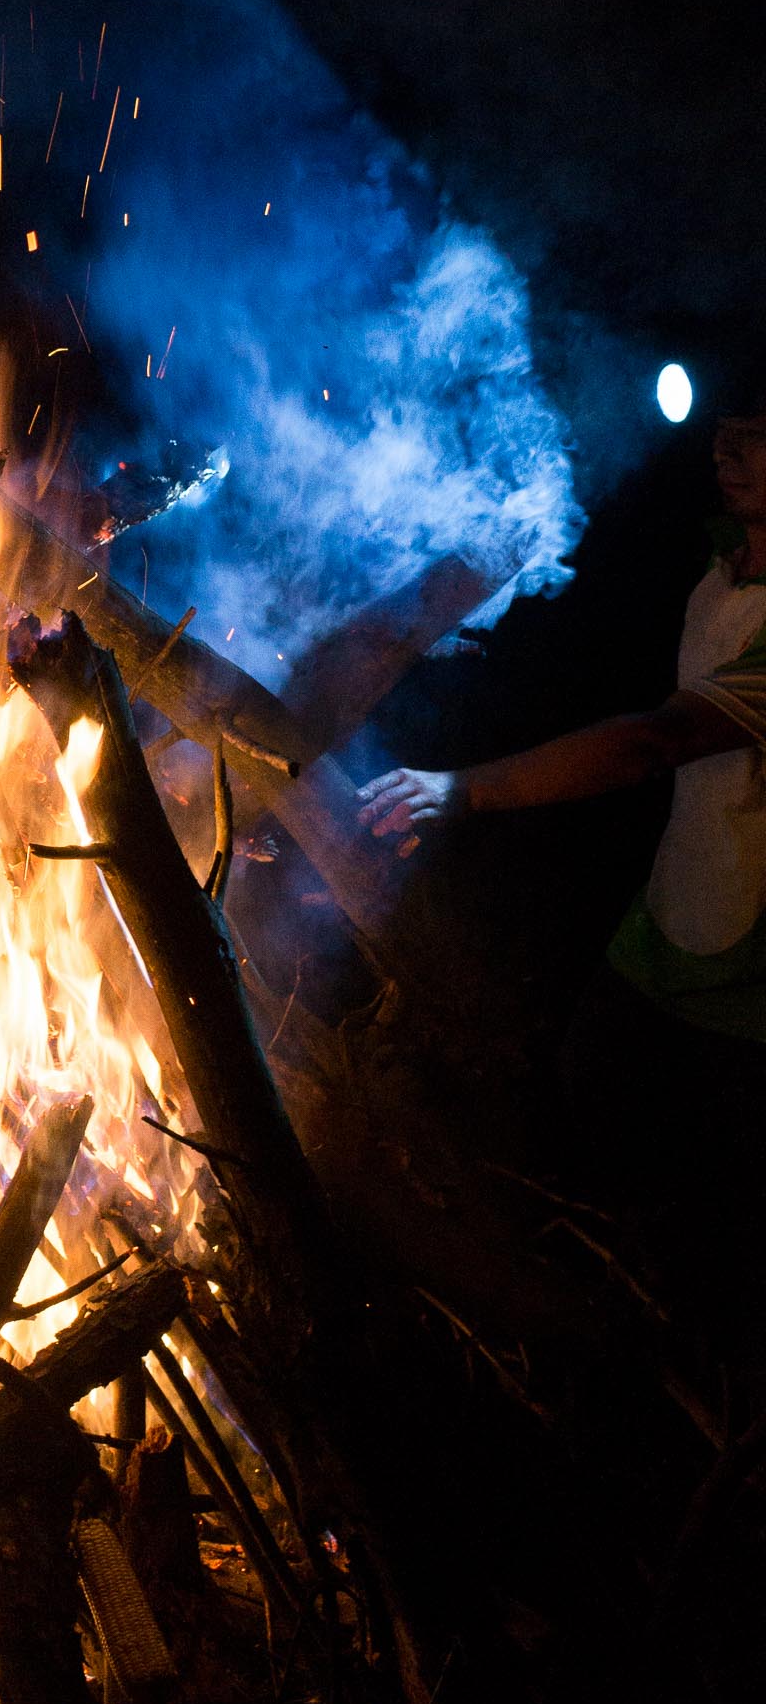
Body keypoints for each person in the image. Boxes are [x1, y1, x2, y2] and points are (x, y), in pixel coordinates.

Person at [359, 377, 766, 1286]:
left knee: (700, 1227)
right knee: (584, 1133)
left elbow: (657, 739)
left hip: (749, 988)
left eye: (757, 434)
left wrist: (463, 789)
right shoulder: (719, 564)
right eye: (727, 426)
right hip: (663, 929)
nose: (726, 446)